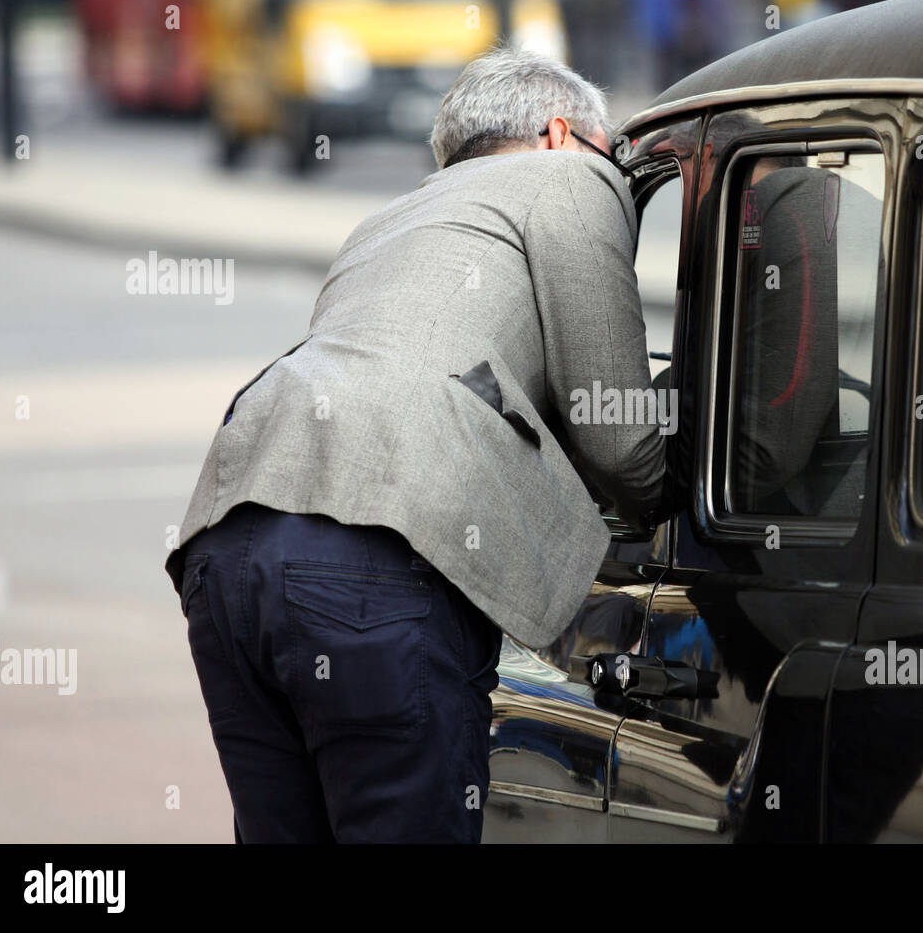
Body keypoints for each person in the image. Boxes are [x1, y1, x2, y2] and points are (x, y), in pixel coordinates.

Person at [164, 48, 666, 843]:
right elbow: (622, 443)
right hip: (375, 562)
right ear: (562, 133)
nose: (616, 178)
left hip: (225, 542)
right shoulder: (569, 178)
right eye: (614, 160)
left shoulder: (390, 220)